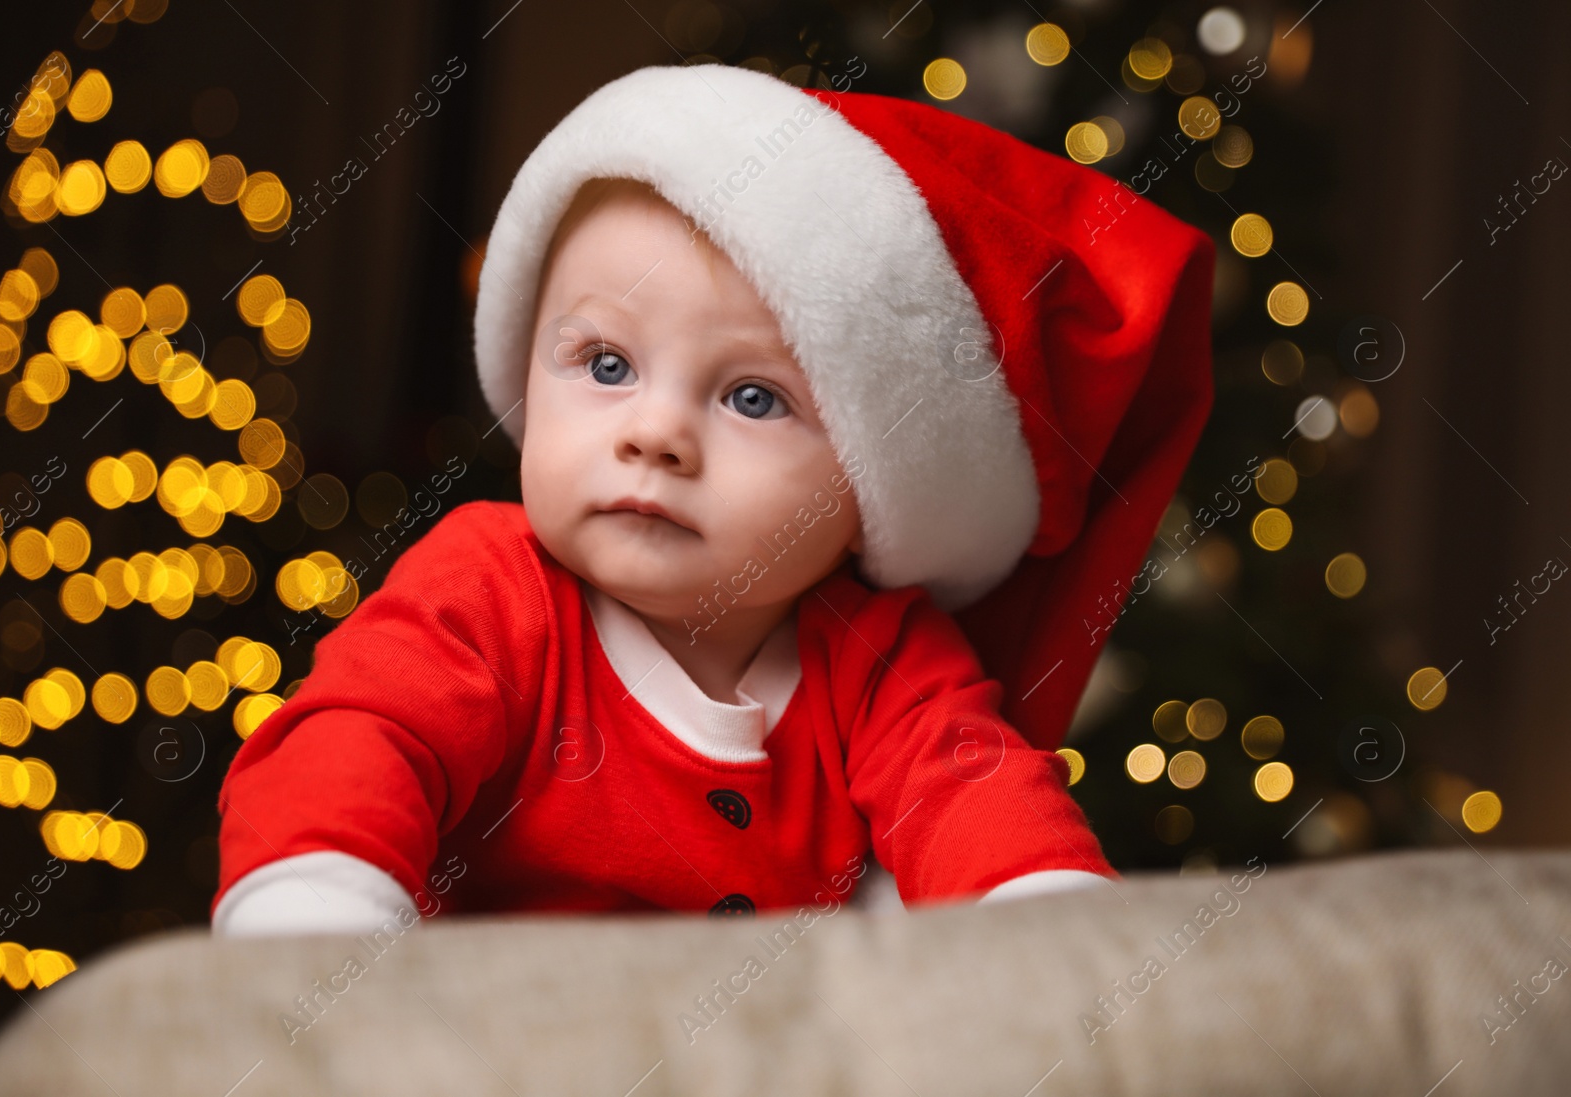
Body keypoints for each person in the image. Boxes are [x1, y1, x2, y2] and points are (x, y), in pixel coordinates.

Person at [211, 63, 1214, 935]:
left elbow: (980, 803)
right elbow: (358, 738)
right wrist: (318, 918)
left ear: (875, 484)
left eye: (751, 397)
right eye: (605, 362)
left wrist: (1044, 935)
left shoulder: (879, 660)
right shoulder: (488, 586)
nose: (653, 433)